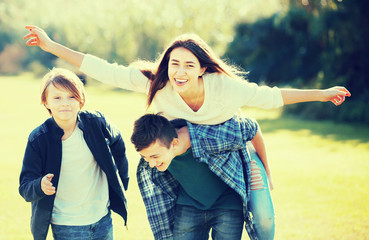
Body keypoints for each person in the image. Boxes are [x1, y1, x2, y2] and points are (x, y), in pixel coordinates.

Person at [23, 25, 351, 240]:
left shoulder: (225, 88)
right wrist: (52, 46)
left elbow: (271, 97)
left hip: (238, 154)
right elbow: (106, 71)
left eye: (189, 65)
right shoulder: (159, 83)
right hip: (192, 167)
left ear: (203, 68)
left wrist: (321, 94)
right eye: (174, 63)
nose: (180, 72)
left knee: (264, 221)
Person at [18, 68, 129, 240]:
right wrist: (40, 185)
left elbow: (118, 143)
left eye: (71, 96)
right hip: (66, 226)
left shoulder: (96, 123)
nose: (65, 103)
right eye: (57, 97)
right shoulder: (39, 139)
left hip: (102, 219)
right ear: (46, 102)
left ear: (81, 100)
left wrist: (121, 181)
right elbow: (25, 187)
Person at [131, 113, 265, 240]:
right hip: (189, 203)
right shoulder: (156, 151)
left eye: (155, 157)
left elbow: (251, 127)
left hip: (228, 203)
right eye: (145, 157)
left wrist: (266, 172)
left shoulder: (210, 137)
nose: (152, 164)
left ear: (175, 143)